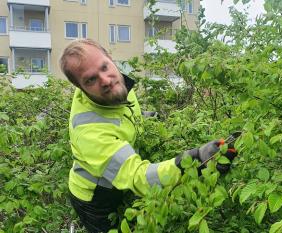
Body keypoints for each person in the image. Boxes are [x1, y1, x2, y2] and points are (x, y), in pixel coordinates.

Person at [59, 39, 237, 233]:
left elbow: (120, 116)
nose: (106, 80)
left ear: (110, 58)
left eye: (104, 66)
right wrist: (196, 159)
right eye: (91, 79)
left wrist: (143, 119)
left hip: (117, 181)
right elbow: (139, 178)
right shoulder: (90, 133)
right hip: (96, 199)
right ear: (80, 87)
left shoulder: (119, 86)